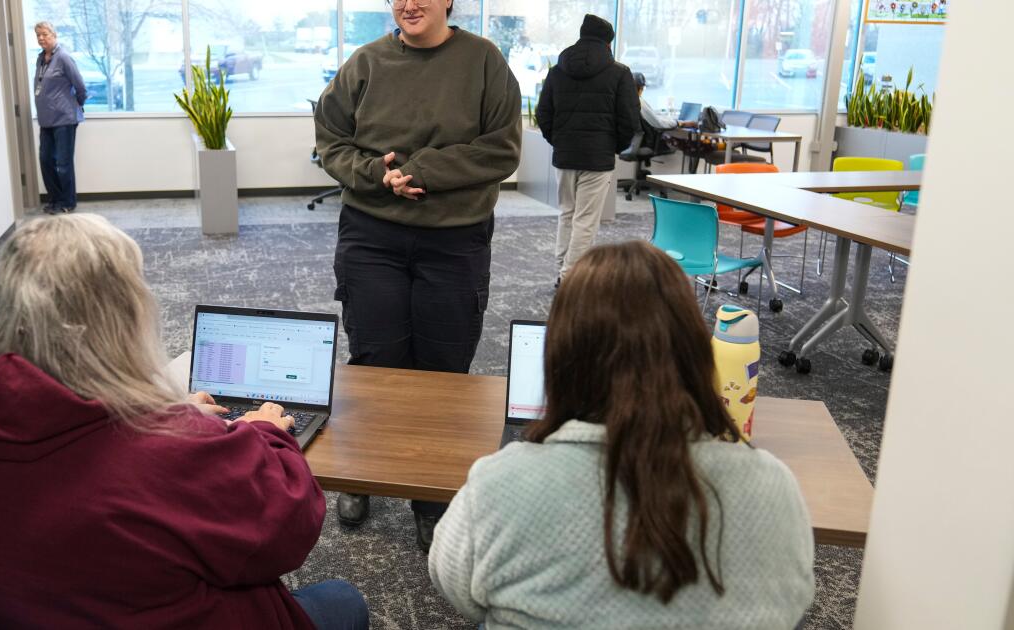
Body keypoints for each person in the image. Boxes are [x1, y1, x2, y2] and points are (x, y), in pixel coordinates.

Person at [0, 214, 369, 630]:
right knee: (344, 600)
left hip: (11, 612)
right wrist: (263, 430)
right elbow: (289, 534)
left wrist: (170, 418)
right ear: (122, 318)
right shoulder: (169, 453)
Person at [428, 241, 815, 628]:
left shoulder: (499, 485)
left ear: (561, 357)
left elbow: (455, 585)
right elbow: (793, 602)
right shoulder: (773, 486)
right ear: (695, 352)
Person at [314, 0, 521, 552]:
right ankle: (362, 473)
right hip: (372, 235)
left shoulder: (483, 62)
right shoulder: (366, 63)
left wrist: (419, 170)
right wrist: (375, 176)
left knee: (443, 370)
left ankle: (432, 497)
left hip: (455, 240)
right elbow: (330, 141)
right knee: (376, 362)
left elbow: (502, 148)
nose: (409, 4)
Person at [535, 14, 639, 285]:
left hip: (565, 155)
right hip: (598, 157)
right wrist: (613, 147)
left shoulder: (558, 70)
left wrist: (558, 141)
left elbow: (543, 114)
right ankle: (571, 279)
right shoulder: (619, 73)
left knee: (567, 214)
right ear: (608, 43)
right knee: (585, 220)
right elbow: (629, 119)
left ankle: (562, 270)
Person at [33, 21, 86, 215]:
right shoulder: (41, 59)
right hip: (46, 120)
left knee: (63, 163)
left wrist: (78, 105)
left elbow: (80, 86)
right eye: (38, 35)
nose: (41, 38)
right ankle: (55, 199)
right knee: (46, 160)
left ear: (54, 35)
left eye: (45, 34)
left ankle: (67, 202)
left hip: (64, 119)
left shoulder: (63, 57)